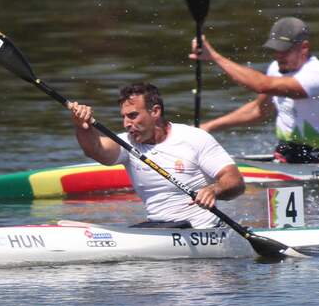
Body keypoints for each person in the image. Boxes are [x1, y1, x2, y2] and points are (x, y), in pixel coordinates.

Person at [68, 82, 245, 229]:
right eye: (124, 117)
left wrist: (214, 190)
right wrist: (82, 126)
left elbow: (235, 181)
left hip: (201, 230)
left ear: (155, 111)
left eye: (133, 116)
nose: (126, 124)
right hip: (159, 229)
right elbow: (95, 150)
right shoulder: (127, 144)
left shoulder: (194, 138)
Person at [190, 16, 319, 163]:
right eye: (275, 49)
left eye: (285, 50)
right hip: (286, 154)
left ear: (304, 47)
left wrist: (214, 57)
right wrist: (207, 127)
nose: (278, 55)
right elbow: (259, 110)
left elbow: (261, 85)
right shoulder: (275, 68)